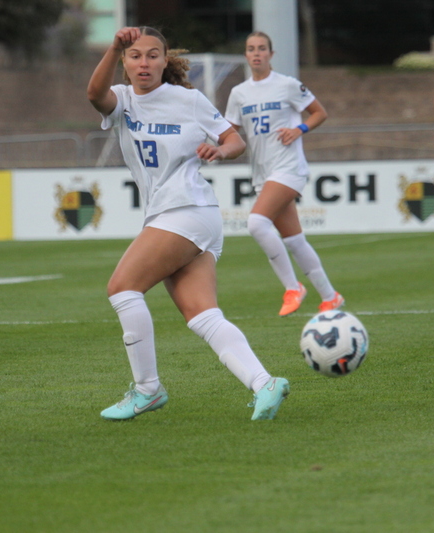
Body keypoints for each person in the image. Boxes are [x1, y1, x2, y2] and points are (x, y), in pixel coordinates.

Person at [87, 26, 289, 421]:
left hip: (187, 209)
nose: (143, 63)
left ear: (166, 61)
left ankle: (147, 389)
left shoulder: (188, 99)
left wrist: (220, 149)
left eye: (152, 55)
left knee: (122, 288)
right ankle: (264, 382)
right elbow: (95, 94)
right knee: (202, 315)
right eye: (134, 56)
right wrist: (113, 47)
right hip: (186, 216)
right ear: (124, 64)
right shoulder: (123, 100)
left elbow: (235, 141)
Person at [225, 31, 343, 318]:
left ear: (271, 54)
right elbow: (229, 131)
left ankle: (293, 287)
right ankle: (330, 295)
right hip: (262, 173)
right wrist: (206, 144)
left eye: (262, 48)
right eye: (251, 49)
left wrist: (298, 129)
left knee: (255, 223)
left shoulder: (287, 85)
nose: (257, 53)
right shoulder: (239, 93)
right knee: (294, 240)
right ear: (246, 55)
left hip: (289, 167)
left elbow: (319, 112)